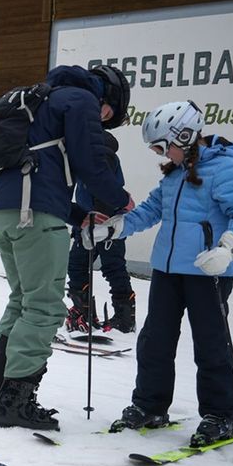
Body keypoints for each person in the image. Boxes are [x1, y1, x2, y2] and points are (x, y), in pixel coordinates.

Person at [97, 100, 233, 447]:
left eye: (161, 145)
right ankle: (150, 405)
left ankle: (219, 415)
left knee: (210, 344)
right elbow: (151, 211)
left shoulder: (224, 168)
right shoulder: (174, 174)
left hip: (208, 270)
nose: (159, 152)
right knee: (154, 340)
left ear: (183, 136)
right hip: (168, 271)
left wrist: (229, 247)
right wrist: (115, 228)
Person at [0, 64, 133, 432]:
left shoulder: (40, 99)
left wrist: (78, 214)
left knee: (22, 300)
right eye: (109, 113)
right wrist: (119, 200)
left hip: (5, 210)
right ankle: (16, 400)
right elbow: (90, 163)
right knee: (46, 306)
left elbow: (41, 165)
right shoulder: (80, 98)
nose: (104, 119)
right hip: (33, 213)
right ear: (107, 97)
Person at [65, 132, 135, 333]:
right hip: (92, 219)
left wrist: (101, 218)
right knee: (98, 266)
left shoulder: (100, 154)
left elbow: (105, 186)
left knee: (99, 266)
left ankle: (98, 314)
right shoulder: (96, 153)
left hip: (104, 221)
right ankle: (111, 315)